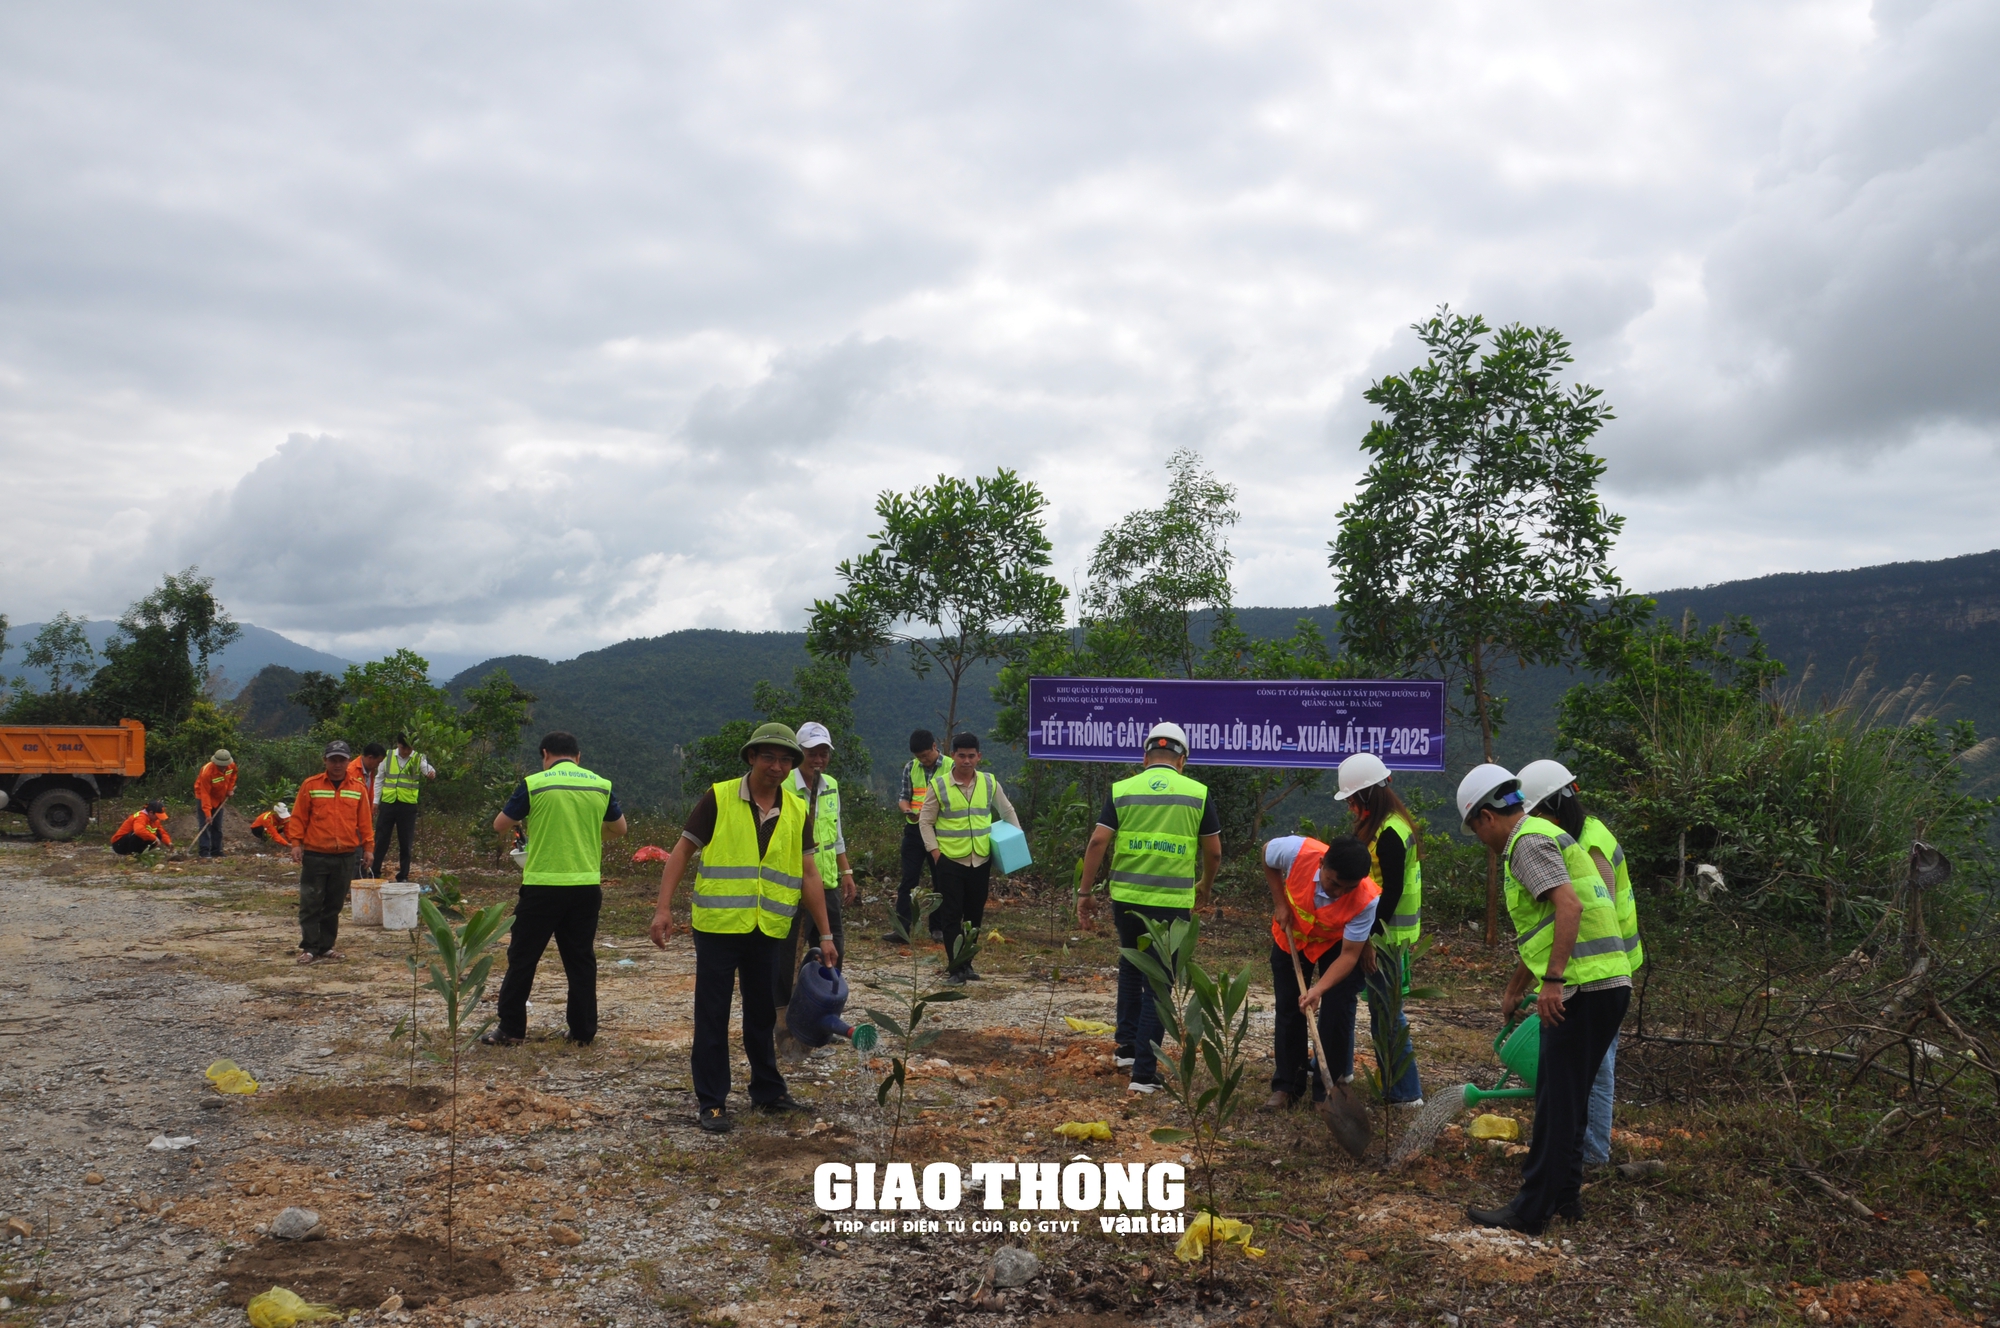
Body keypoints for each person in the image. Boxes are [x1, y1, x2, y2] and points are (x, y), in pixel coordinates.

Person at [1457, 763, 1630, 1235]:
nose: (1481, 840)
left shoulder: (1525, 844)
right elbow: (1554, 922)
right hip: (1608, 984)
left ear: (1487, 818)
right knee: (1569, 1100)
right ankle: (1567, 1198)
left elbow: (1568, 907)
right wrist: (1522, 985)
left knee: (1555, 1102)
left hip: (1581, 987)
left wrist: (1552, 981)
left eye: (1476, 829)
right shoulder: (1545, 834)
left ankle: (1530, 1211)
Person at [648, 722, 838, 1134]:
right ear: (751, 758)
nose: (777, 766)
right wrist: (663, 908)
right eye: (768, 756)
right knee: (713, 1014)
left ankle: (768, 1092)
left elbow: (808, 872)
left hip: (768, 927)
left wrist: (825, 934)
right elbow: (682, 851)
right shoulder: (719, 797)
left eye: (786, 759)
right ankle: (712, 1102)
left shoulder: (796, 808)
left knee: (761, 1013)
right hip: (718, 926)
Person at [1077, 722, 1221, 1093]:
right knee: (1159, 982)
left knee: (1130, 964)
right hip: (1172, 904)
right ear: (1183, 760)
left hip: (1126, 898)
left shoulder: (1123, 790)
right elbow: (1214, 850)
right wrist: (1204, 884)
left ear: (1144, 758)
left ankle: (1126, 1049)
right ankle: (1143, 1073)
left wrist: (1085, 892)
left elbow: (1097, 842)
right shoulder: (1198, 793)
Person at [1518, 758, 1641, 1169]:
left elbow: (1584, 917)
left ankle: (1591, 1155)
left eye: (1536, 814)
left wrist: (1550, 980)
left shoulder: (1587, 843)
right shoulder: (1573, 835)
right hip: (1591, 968)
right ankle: (1575, 1153)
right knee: (1584, 1067)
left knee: (1597, 1066)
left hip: (1602, 969)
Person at [486, 732, 627, 1048]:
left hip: (542, 886)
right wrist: (588, 834)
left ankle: (511, 1029)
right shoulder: (600, 785)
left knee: (523, 958)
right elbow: (620, 829)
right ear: (578, 756)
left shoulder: (535, 784)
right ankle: (582, 1031)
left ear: (545, 754)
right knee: (580, 960)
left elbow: (500, 825)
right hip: (586, 885)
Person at [1261, 834, 1381, 1109]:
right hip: (1291, 935)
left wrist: (1318, 990)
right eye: (1334, 883)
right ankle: (1287, 1086)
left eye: (1347, 888)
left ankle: (1326, 1093)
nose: (1338, 893)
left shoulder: (1367, 899)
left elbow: (1350, 954)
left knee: (1337, 1011)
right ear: (1322, 863)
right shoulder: (1296, 851)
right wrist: (1280, 903)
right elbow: (1266, 854)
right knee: (1290, 1007)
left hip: (1335, 945)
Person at [1334, 752, 1425, 1106]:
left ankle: (1405, 1092)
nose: (1350, 808)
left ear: (1367, 796)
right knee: (1341, 998)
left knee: (1386, 1014)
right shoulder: (1383, 826)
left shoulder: (1390, 833)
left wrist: (1367, 938)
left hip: (1387, 939)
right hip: (1375, 934)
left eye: (1352, 800)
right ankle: (1338, 1066)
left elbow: (1391, 894)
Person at [918, 732, 1021, 983]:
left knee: (974, 915)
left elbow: (1007, 811)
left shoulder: (988, 782)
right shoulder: (939, 785)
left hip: (980, 860)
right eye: (961, 755)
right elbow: (925, 821)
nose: (966, 761)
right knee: (951, 915)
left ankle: (968, 964)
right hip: (950, 861)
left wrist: (1016, 844)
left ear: (979, 757)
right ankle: (956, 969)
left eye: (971, 756)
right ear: (952, 755)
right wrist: (935, 853)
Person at [777, 722, 856, 1026]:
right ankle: (783, 1015)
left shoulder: (831, 785)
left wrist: (845, 869)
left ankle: (823, 1009)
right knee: (785, 952)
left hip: (825, 882)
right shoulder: (783, 786)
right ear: (799, 754)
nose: (818, 758)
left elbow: (835, 833)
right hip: (790, 884)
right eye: (812, 752)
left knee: (831, 946)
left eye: (823, 752)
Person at [288, 740, 375, 964]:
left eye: (342, 760)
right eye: (333, 760)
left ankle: (326, 947)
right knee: (311, 902)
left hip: (346, 855)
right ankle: (309, 947)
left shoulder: (357, 788)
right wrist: (296, 843)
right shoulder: (311, 785)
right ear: (325, 760)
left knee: (334, 904)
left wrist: (368, 848)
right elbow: (298, 816)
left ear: (348, 761)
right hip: (316, 854)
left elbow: (365, 822)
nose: (337, 764)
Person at [886, 729, 944, 941]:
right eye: (919, 756)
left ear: (935, 747)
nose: (923, 760)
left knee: (941, 880)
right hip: (914, 831)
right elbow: (904, 797)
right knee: (908, 880)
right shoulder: (911, 767)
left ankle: (938, 929)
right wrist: (906, 810)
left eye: (925, 755)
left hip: (940, 833)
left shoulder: (950, 767)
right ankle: (902, 929)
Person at [371, 733, 436, 883]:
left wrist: (431, 774)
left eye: (409, 748)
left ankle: (403, 875)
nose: (406, 751)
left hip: (407, 805)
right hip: (388, 803)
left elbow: (429, 770)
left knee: (405, 842)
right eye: (403, 748)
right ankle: (374, 871)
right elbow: (379, 779)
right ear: (398, 744)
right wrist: (376, 801)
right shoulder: (387, 757)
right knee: (381, 839)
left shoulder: (418, 758)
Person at [194, 749, 237, 858]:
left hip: (220, 798)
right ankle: (204, 851)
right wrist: (208, 814)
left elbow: (233, 776)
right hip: (204, 797)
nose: (223, 768)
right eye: (220, 766)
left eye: (224, 765)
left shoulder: (231, 765)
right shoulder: (207, 772)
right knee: (205, 824)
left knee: (217, 826)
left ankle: (216, 851)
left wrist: (229, 789)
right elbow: (205, 794)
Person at [350, 743, 385, 876]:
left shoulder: (369, 771)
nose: (378, 765)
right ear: (370, 758)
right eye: (378, 761)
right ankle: (353, 886)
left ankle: (359, 881)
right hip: (354, 822)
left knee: (363, 854)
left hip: (364, 819)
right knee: (356, 855)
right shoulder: (352, 771)